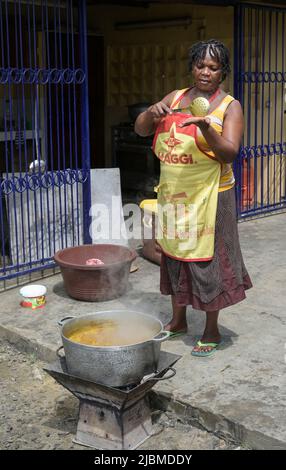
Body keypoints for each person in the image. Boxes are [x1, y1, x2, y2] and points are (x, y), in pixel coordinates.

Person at [135, 39, 252, 357]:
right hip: (176, 195)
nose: (205, 72)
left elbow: (229, 152)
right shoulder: (174, 98)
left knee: (208, 262)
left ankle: (211, 329)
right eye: (200, 65)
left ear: (222, 72)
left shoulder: (230, 106)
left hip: (213, 197)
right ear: (192, 67)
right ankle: (178, 321)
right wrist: (150, 112)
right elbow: (142, 130)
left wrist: (206, 128)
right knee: (173, 257)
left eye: (213, 67)